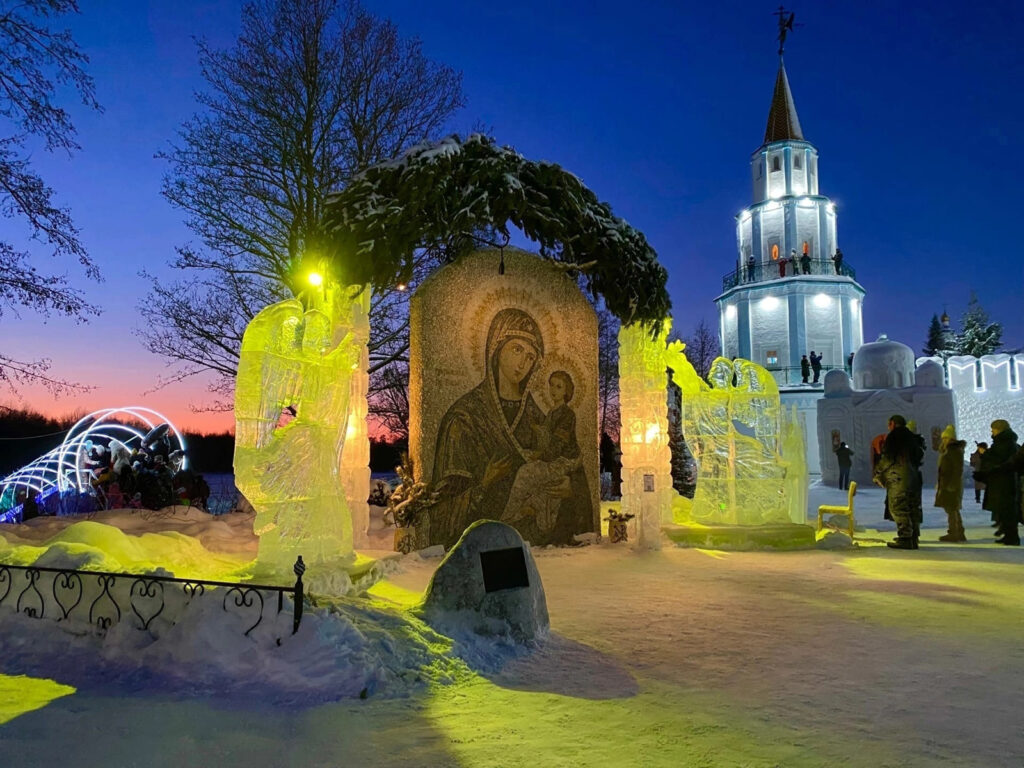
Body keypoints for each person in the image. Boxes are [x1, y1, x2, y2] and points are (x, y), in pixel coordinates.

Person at [431, 308, 592, 548]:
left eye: (530, 357)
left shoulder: (538, 415)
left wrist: (572, 490)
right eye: (517, 349)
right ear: (497, 349)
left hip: (540, 548)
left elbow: (571, 460)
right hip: (485, 547)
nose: (523, 363)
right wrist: (484, 484)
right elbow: (443, 512)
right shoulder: (464, 417)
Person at [873, 414, 924, 549]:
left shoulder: (894, 436)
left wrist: (878, 472)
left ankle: (905, 537)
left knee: (898, 506)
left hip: (898, 477)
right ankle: (913, 538)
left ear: (893, 423)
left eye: (889, 424)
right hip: (913, 477)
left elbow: (888, 457)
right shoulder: (912, 437)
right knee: (912, 507)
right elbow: (919, 456)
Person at [975, 419, 1020, 545]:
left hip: (1003, 482)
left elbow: (998, 460)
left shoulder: (1004, 443)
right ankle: (1009, 535)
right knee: (1005, 510)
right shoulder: (1006, 442)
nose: (992, 432)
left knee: (1007, 510)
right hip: (1002, 481)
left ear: (999, 430)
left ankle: (1011, 536)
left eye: (993, 429)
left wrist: (985, 454)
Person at [934, 425, 967, 542]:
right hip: (947, 484)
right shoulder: (949, 450)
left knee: (951, 509)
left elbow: (958, 469)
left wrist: (952, 484)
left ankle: (954, 532)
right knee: (952, 508)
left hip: (951, 485)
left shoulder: (953, 451)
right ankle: (959, 532)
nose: (943, 440)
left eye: (945, 438)